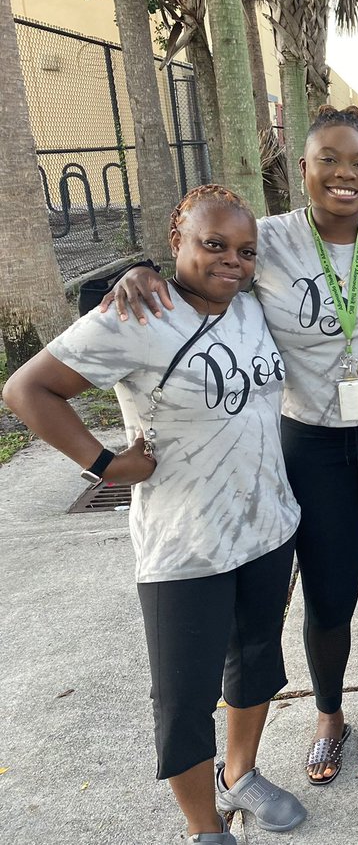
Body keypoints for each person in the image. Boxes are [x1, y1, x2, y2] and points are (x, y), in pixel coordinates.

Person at [104, 106, 358, 785]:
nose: (346, 174)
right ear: (302, 169)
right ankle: (330, 714)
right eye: (329, 160)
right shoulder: (270, 239)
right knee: (330, 593)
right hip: (311, 438)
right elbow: (205, 265)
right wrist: (140, 271)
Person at [4, 185, 305, 844]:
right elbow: (28, 389)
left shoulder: (254, 308)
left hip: (267, 528)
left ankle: (242, 775)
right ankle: (205, 829)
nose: (232, 261)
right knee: (183, 701)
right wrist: (106, 464)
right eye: (214, 245)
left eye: (245, 251)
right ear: (177, 244)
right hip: (184, 545)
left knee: (256, 663)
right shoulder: (135, 315)